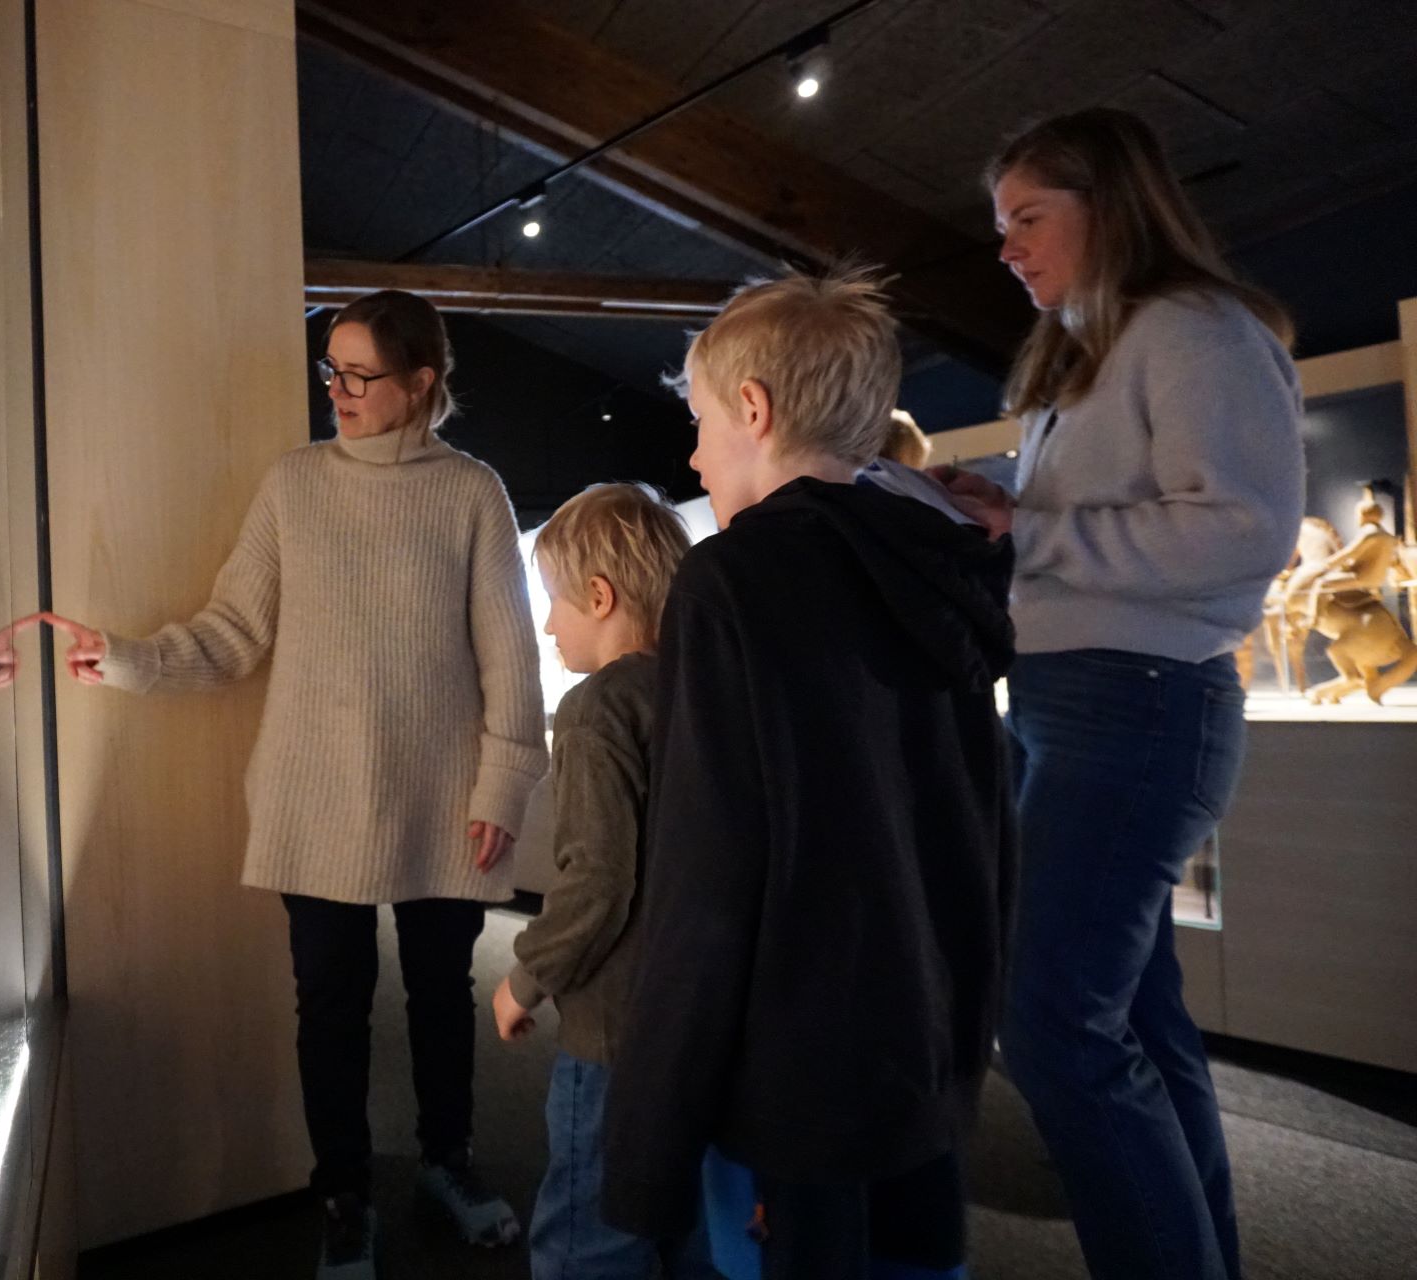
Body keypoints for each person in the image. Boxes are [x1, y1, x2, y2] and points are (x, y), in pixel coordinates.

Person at [43, 289, 547, 1280]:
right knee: (330, 999)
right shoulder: (295, 484)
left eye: (360, 374)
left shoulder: (470, 490)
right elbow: (234, 629)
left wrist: (504, 783)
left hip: (447, 790)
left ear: (421, 383)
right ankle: (344, 1192)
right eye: (332, 370)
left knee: (444, 989)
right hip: (316, 790)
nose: (339, 391)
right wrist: (133, 658)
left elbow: (511, 656)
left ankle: (448, 1162)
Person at [933, 109, 1305, 1280]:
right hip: (1073, 700)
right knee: (1137, 1020)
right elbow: (1104, 509)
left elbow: (1241, 531)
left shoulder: (1197, 329)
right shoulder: (1094, 351)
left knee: (1047, 1023)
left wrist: (1028, 528)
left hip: (1141, 703)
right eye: (1002, 228)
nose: (1008, 249)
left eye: (1028, 219)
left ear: (1111, 204)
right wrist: (999, 501)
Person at [600, 272, 1017, 1280]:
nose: (693, 456)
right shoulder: (941, 563)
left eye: (698, 422)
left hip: (801, 1060)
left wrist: (648, 1145)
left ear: (754, 409)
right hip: (924, 1040)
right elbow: (984, 821)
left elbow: (707, 868)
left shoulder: (733, 579)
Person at [488, 482, 712, 1280]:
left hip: (615, 1033)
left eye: (553, 602)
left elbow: (598, 882)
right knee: (691, 1228)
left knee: (590, 1236)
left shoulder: (596, 711)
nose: (548, 624)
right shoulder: (707, 690)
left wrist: (526, 978)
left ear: (600, 595)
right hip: (701, 1021)